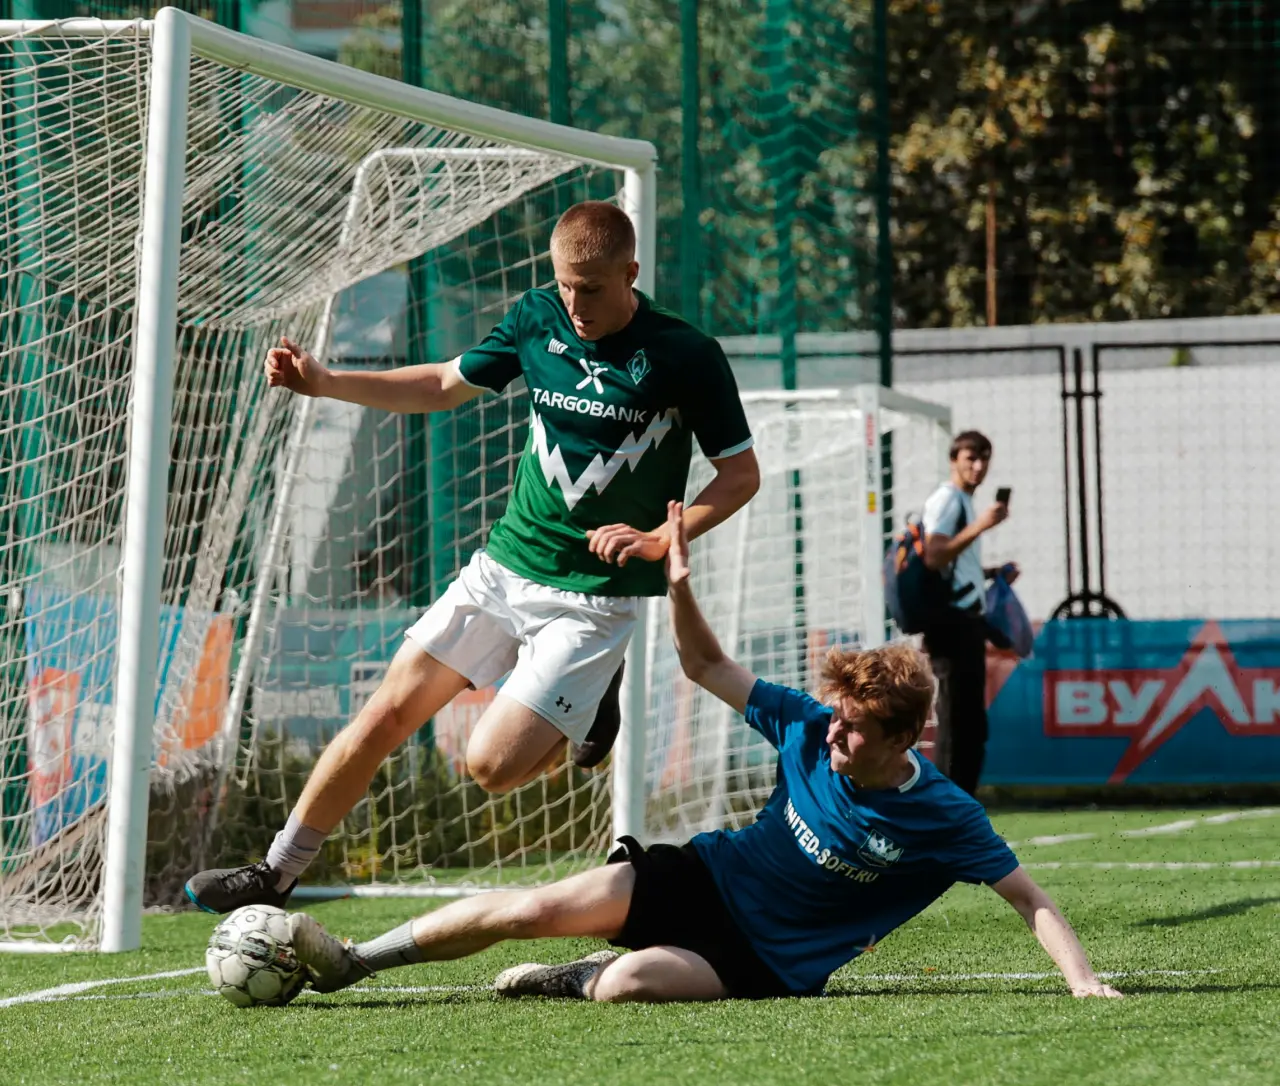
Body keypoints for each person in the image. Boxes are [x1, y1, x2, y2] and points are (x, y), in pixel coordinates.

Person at [282, 500, 1121, 1003]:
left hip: (764, 961)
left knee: (625, 987)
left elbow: (1028, 897)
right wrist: (677, 583)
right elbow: (706, 664)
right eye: (835, 715)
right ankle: (356, 959)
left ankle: (572, 975)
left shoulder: (942, 812)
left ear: (903, 738)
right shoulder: (802, 724)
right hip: (700, 875)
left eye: (855, 726)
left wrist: (1082, 979)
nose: (834, 731)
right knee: (525, 908)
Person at [185, 201, 760, 915]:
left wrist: (660, 539)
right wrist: (326, 380)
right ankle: (275, 871)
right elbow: (439, 385)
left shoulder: (687, 354)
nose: (575, 304)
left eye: (592, 287)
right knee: (386, 712)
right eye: (565, 285)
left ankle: (587, 703)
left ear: (631, 273)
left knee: (487, 766)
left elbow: (740, 475)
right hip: (503, 566)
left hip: (594, 598)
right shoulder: (537, 318)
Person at [920, 430, 1019, 797]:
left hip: (965, 624)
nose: (978, 466)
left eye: (984, 459)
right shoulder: (948, 499)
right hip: (952, 625)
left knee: (970, 726)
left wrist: (993, 573)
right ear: (954, 460)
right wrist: (982, 525)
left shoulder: (961, 501)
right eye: (970, 458)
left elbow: (954, 565)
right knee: (957, 724)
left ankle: (957, 806)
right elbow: (934, 554)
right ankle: (947, 807)